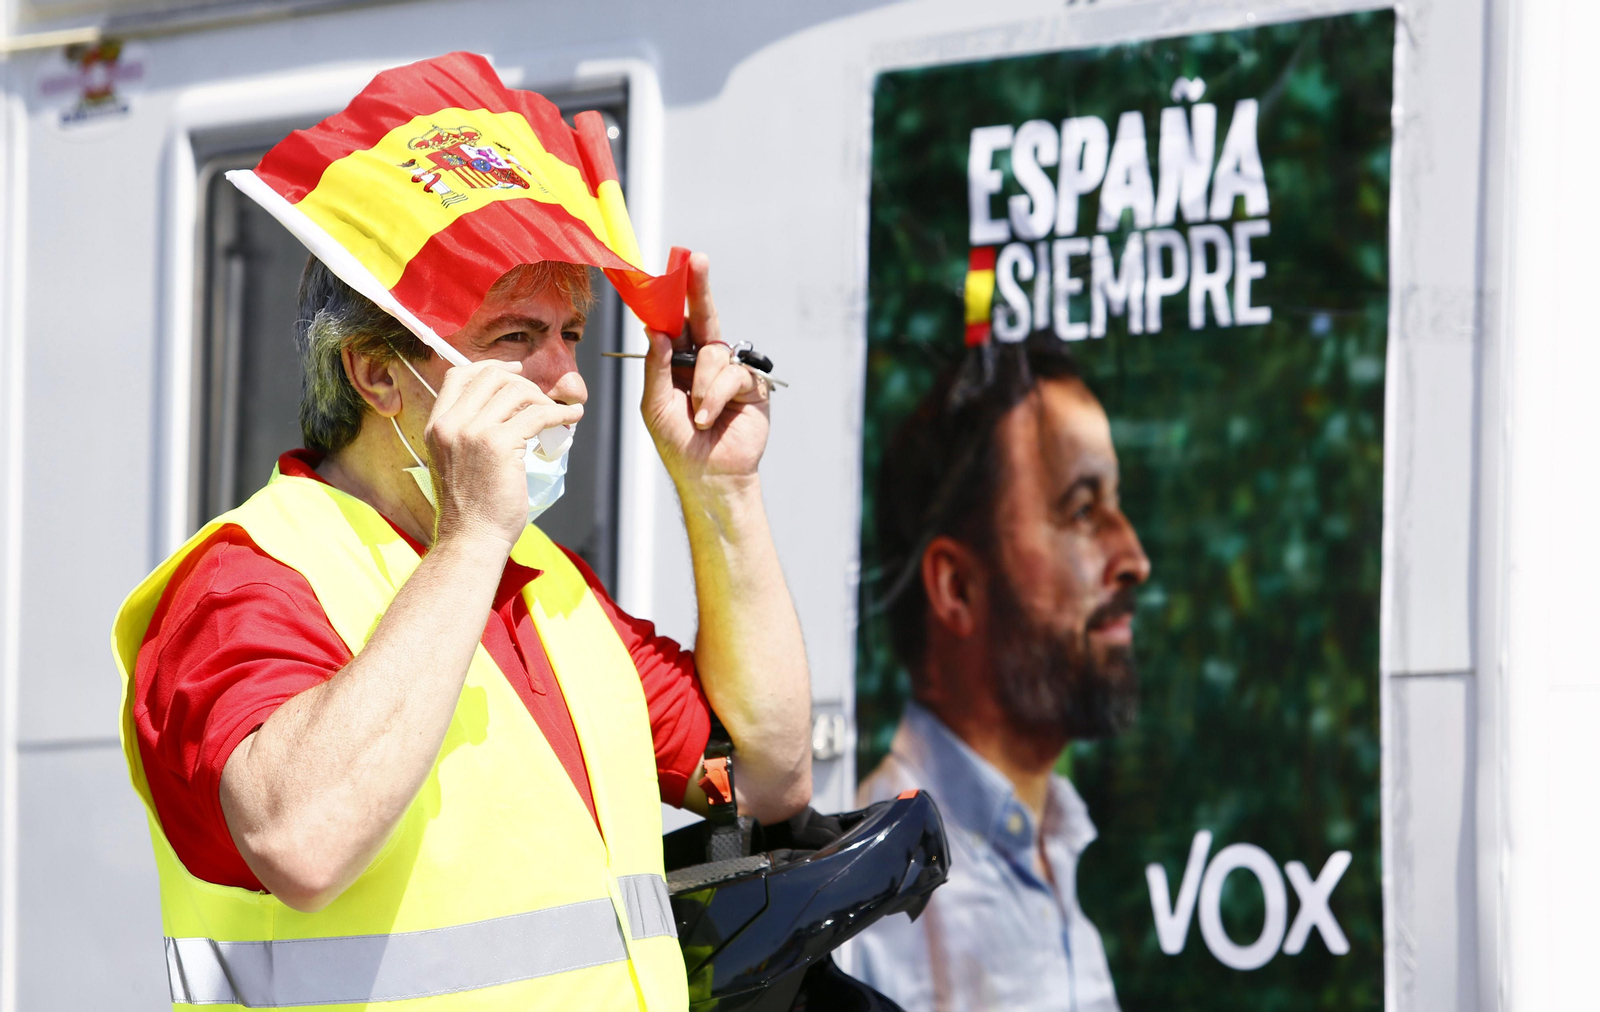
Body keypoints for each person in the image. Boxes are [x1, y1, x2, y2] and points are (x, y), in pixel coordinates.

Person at [111, 254, 812, 1011]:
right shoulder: (244, 579)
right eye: (516, 337)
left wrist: (722, 486)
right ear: (377, 373)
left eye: (572, 336)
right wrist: (472, 538)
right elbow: (300, 844)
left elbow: (763, 776)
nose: (572, 385)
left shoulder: (541, 575)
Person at [852, 335, 1149, 1012]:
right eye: (1083, 510)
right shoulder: (876, 901)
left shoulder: (1057, 842)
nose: (1134, 556)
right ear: (957, 588)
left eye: (1116, 503)